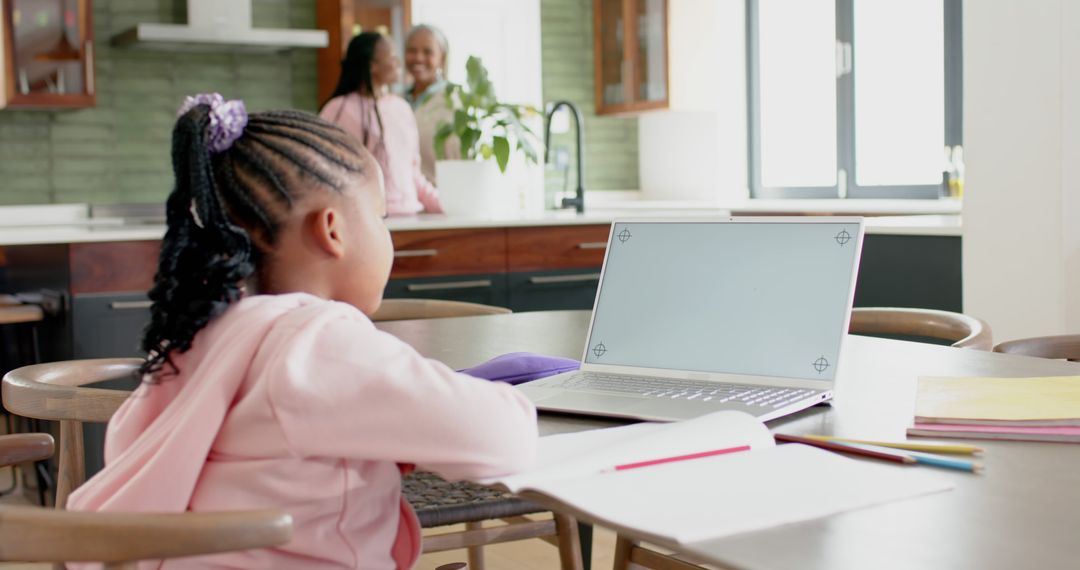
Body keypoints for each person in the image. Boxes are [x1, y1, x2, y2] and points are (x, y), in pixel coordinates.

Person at [66, 93, 537, 569]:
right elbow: (504, 437)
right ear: (332, 230)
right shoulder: (318, 344)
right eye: (381, 217)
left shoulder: (199, 331)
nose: (387, 234)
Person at [321, 32, 443, 215]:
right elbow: (329, 175)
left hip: (411, 216)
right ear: (372, 66)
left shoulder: (401, 107)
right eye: (392, 57)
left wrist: (445, 206)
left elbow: (413, 174)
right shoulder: (338, 110)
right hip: (368, 221)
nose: (399, 63)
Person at [403, 24, 459, 184]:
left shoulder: (453, 102)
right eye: (412, 51)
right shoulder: (396, 100)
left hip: (439, 198)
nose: (418, 58)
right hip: (403, 200)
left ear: (442, 58)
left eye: (428, 52)